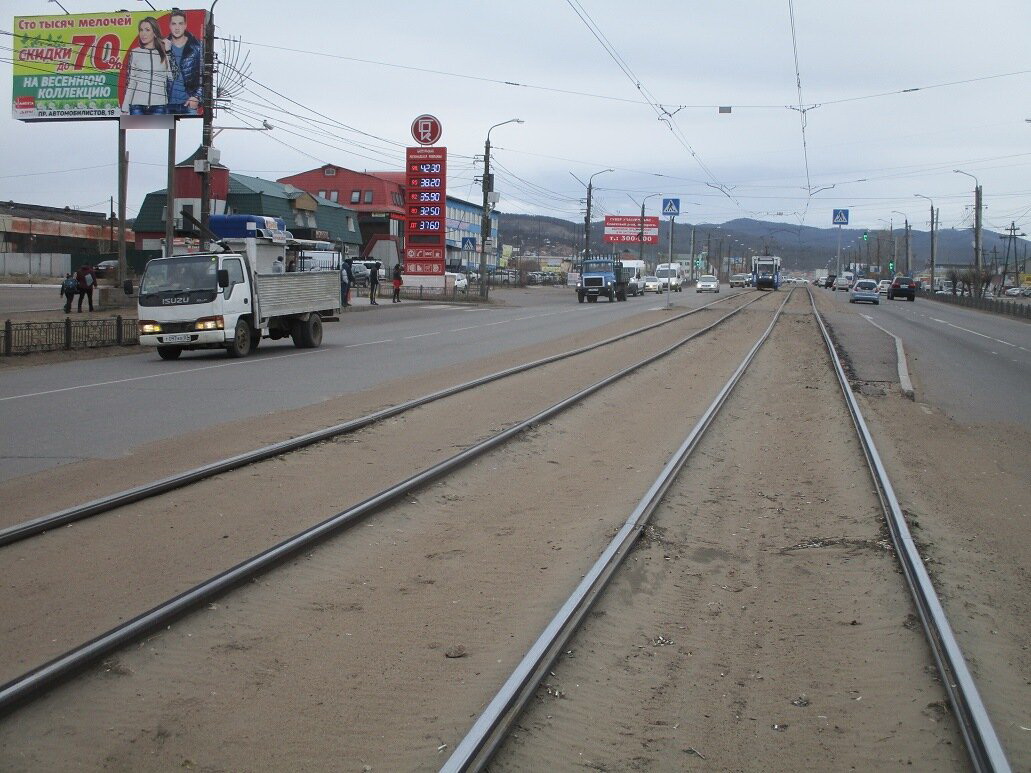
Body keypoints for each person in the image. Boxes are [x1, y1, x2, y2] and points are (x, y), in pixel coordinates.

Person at [121, 17, 171, 115]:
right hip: (137, 105)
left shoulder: (164, 54)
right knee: (136, 130)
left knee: (158, 131)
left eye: (147, 30)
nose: (143, 33)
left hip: (159, 105)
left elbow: (171, 77)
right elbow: (131, 82)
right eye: (141, 30)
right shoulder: (135, 53)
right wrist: (125, 108)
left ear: (155, 33)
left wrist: (168, 52)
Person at [163, 10, 203, 116]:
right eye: (174, 23)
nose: (177, 27)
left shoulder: (197, 47)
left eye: (180, 23)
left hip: (188, 103)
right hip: (165, 104)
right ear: (169, 26)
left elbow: (205, 75)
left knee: (192, 132)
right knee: (155, 132)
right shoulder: (161, 46)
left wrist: (197, 96)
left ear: (185, 25)